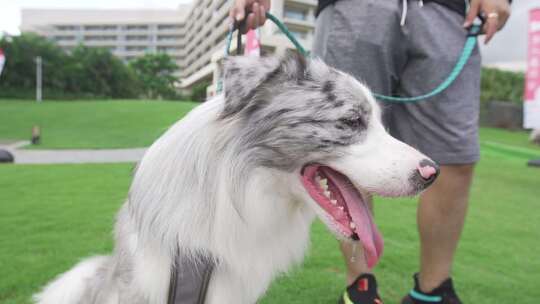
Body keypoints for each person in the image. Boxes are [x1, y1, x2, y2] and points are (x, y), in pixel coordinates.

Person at [229, 0, 511, 303]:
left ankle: (434, 292)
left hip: (451, 13)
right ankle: (359, 286)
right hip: (354, 7)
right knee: (343, 144)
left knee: (456, 155)